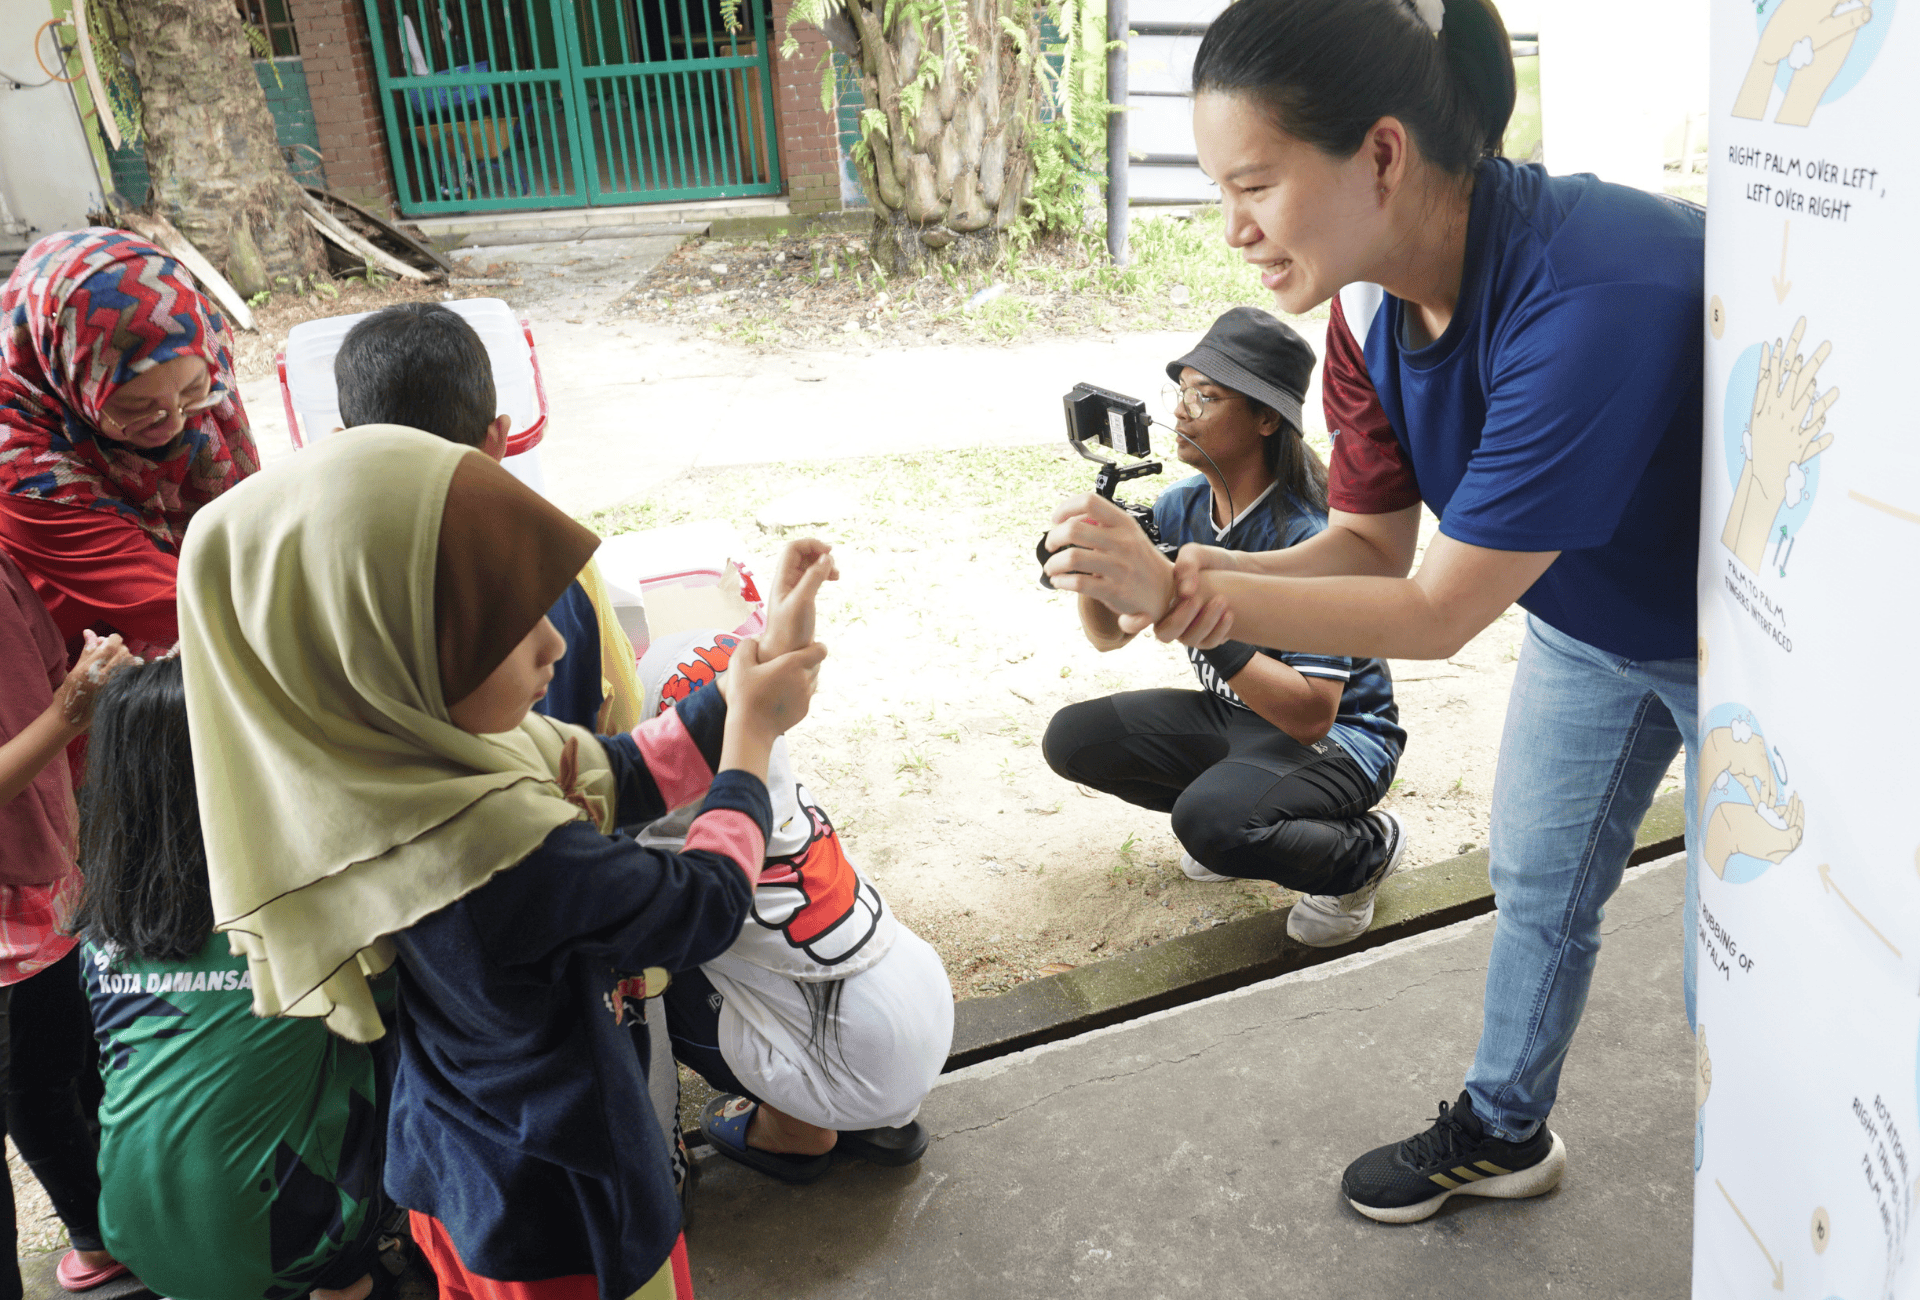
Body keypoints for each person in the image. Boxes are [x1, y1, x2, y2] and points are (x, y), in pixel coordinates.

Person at [1042, 0, 1704, 1225]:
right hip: (1589, 618)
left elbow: (1440, 609)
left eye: (1256, 184)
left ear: (1383, 154)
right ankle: (1504, 1130)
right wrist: (1175, 564)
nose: (1232, 229)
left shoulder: (1589, 286)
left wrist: (1187, 599)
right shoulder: (1365, 315)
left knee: (1755, 962)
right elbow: (1365, 543)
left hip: (1760, 645)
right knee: (1538, 880)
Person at [175, 426, 829, 1299]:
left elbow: (624, 769)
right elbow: (698, 907)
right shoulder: (497, 846)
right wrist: (751, 742)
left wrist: (755, 656)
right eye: (510, 633)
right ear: (389, 650)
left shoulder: (395, 768)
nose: (554, 650)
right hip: (561, 1200)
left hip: (457, 1160)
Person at [1042, 309, 1406, 946]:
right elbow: (1109, 635)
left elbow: (1312, 714)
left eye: (1205, 397)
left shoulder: (1309, 537)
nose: (1182, 412)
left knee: (1211, 823)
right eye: (1180, 393)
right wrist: (1092, 565)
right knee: (1074, 739)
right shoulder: (1182, 505)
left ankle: (1365, 855)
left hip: (1344, 743)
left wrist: (1197, 622)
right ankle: (1244, 807)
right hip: (1246, 718)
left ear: (1267, 419)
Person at [71, 656, 399, 1300]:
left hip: (135, 1233)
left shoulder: (99, 935)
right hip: (282, 1245)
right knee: (385, 1025)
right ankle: (347, 1280)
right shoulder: (299, 909)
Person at [634, 629, 955, 1184]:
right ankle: (871, 1117)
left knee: (647, 971)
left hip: (855, 1063)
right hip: (926, 1009)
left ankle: (799, 1129)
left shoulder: (679, 859)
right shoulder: (790, 806)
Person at [332, 301, 643, 733]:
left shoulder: (325, 572)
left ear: (340, 443)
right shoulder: (560, 555)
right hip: (562, 788)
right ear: (498, 438)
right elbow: (623, 714)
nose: (548, 647)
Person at [0, 229, 257, 662]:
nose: (175, 421)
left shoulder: (189, 336)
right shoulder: (24, 470)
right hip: (93, 651)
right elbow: (182, 611)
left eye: (194, 391)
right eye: (138, 407)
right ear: (70, 381)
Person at [0, 547, 138, 1298]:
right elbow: (58, 707)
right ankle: (97, 1231)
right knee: (36, 1082)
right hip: (11, 910)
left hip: (52, 867)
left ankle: (113, 1228)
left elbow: (55, 675)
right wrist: (66, 714)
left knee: (75, 1057)